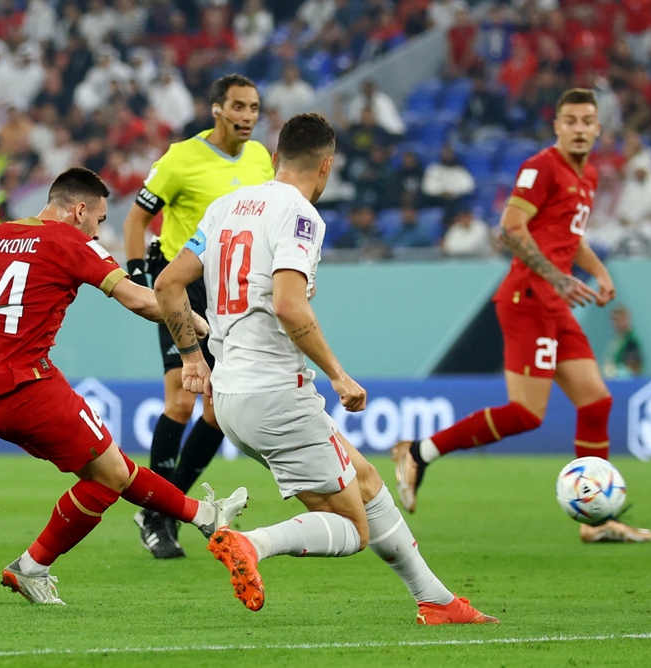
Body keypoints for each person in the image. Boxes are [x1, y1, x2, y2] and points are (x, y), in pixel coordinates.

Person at [153, 113, 498, 626]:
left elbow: (166, 284)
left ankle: (438, 600)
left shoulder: (224, 208)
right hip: (277, 394)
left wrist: (191, 358)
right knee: (351, 528)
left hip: (229, 398)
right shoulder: (300, 216)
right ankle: (251, 543)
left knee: (363, 479)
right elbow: (291, 306)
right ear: (327, 168)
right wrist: (338, 374)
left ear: (274, 158)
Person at [0, 168, 247, 606]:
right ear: (79, 211)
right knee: (110, 475)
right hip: (30, 386)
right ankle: (32, 567)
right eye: (97, 220)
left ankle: (205, 516)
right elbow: (136, 298)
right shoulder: (71, 242)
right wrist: (191, 321)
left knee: (108, 474)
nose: (97, 229)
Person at [391, 89, 651, 544]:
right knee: (527, 413)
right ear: (557, 126)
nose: (577, 128)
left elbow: (571, 237)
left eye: (586, 120)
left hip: (556, 300)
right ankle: (419, 451)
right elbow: (510, 227)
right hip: (529, 298)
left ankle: (597, 522)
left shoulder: (588, 175)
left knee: (596, 401)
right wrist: (556, 276)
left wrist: (599, 271)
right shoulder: (541, 167)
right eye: (569, 120)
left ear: (597, 128)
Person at [122, 74, 275, 559]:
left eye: (254, 107)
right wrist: (137, 279)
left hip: (228, 292)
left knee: (215, 411)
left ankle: (161, 510)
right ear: (216, 109)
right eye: (238, 106)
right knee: (182, 400)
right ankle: (156, 509)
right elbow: (135, 218)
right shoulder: (180, 158)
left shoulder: (260, 159)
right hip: (179, 285)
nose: (247, 116)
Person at [603, 305, 644, 378]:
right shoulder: (616, 340)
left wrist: (616, 372)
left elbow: (634, 368)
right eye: (615, 320)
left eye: (622, 319)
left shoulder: (631, 341)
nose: (618, 323)